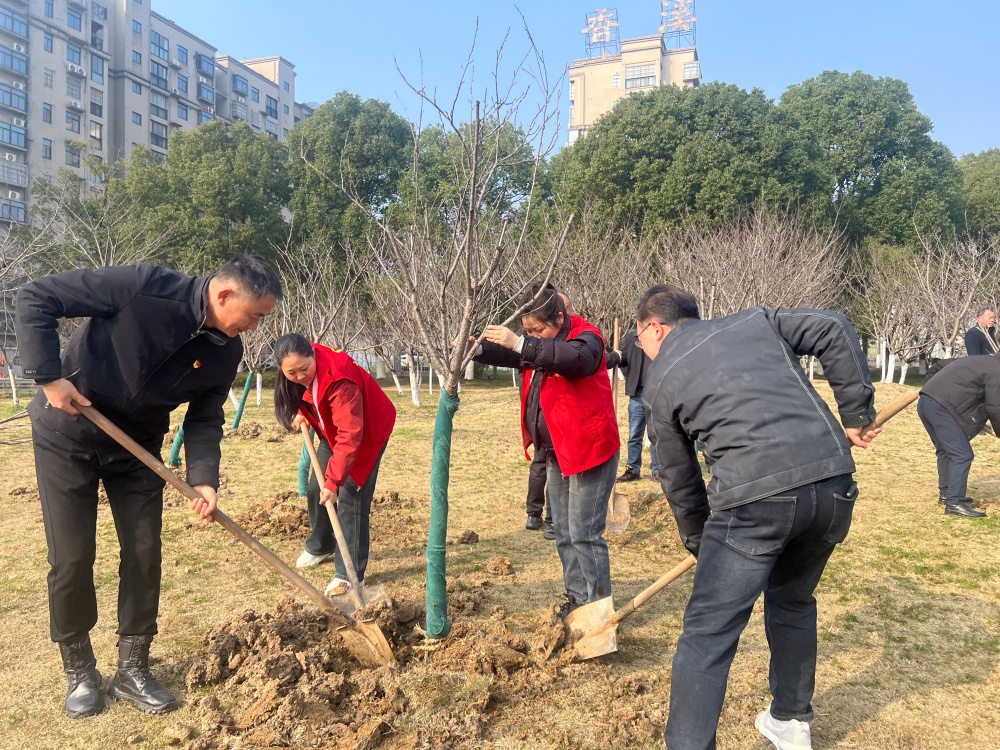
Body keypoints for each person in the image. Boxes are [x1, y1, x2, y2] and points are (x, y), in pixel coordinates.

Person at [15, 256, 281, 719]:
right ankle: (80, 672)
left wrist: (203, 478)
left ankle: (132, 669)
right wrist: (48, 377)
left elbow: (205, 416)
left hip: (136, 449)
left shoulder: (226, 350)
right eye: (256, 314)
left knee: (143, 552)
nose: (257, 327)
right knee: (72, 556)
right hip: (67, 433)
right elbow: (37, 297)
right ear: (224, 296)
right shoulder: (143, 286)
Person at [636, 284, 879, 750]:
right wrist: (856, 414)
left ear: (654, 326)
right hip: (831, 487)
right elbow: (833, 325)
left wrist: (698, 541)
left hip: (755, 504)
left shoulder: (662, 378)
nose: (643, 350)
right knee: (792, 600)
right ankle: (789, 721)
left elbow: (677, 477)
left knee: (707, 634)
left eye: (641, 339)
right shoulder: (755, 320)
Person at [473, 283, 620, 617]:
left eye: (538, 329)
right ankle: (578, 598)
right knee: (564, 533)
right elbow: (517, 355)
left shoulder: (587, 338)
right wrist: (480, 350)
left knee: (585, 534)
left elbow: (574, 360)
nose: (533, 336)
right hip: (555, 451)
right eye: (527, 330)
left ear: (559, 316)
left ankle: (599, 610)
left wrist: (523, 342)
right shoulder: (542, 344)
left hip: (589, 451)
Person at [273, 333, 396, 595]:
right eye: (291, 373)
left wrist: (335, 481)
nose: (299, 376)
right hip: (334, 430)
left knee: (351, 496)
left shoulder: (340, 379)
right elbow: (301, 394)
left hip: (366, 431)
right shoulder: (297, 364)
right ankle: (321, 544)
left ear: (313, 355)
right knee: (317, 489)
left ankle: (349, 575)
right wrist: (299, 413)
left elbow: (351, 435)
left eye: (304, 369)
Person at [916, 356, 997, 518]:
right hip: (941, 407)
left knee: (946, 451)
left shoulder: (983, 360)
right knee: (962, 455)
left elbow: (942, 364)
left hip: (927, 402)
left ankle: (947, 494)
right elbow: (996, 406)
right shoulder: (997, 370)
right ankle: (954, 503)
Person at [606, 328, 660, 482]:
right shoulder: (631, 337)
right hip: (636, 393)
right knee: (634, 434)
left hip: (655, 391)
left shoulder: (657, 335)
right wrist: (615, 356)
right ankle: (632, 469)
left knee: (655, 434)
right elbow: (624, 359)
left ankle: (657, 470)